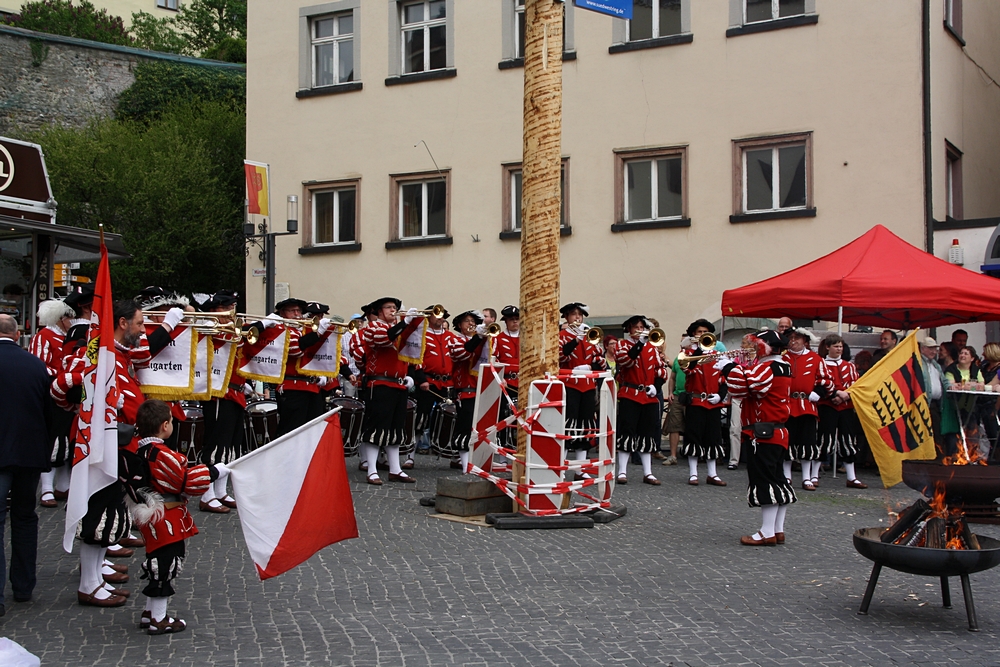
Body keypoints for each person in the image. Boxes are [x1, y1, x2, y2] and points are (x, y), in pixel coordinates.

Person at [123, 399, 229, 635]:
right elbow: (185, 481)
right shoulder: (162, 454)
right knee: (165, 565)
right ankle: (158, 619)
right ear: (165, 426)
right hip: (165, 516)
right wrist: (214, 472)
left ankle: (150, 612)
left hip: (153, 515)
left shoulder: (139, 449)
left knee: (158, 562)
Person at [718, 329, 794, 546]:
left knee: (765, 481)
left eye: (754, 345)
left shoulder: (769, 366)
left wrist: (729, 366)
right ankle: (778, 530)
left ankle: (767, 532)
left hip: (764, 432)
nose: (750, 349)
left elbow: (746, 386)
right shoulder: (781, 364)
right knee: (778, 480)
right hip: (775, 430)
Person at [0, 314, 54, 616]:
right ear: (17, 334)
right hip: (29, 454)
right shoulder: (36, 365)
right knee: (24, 518)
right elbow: (47, 414)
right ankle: (23, 586)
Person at [360, 297, 417, 484]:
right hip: (380, 383)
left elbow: (409, 351)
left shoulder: (398, 329)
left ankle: (395, 469)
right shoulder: (373, 327)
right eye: (389, 307)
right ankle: (372, 470)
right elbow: (384, 339)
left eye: (395, 308)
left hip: (398, 384)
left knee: (396, 428)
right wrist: (406, 322)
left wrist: (409, 374)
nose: (393, 310)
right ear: (379, 311)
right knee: (377, 427)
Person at [198, 290, 245, 514]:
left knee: (230, 447)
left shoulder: (232, 328)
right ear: (214, 310)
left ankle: (221, 490)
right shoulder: (209, 328)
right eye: (226, 308)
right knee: (215, 444)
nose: (231, 313)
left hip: (235, 392)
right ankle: (206, 495)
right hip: (218, 393)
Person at [29, 299, 75, 508]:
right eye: (69, 317)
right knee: (53, 441)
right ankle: (46, 488)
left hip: (70, 395)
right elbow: (39, 366)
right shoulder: (44, 336)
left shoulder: (71, 337)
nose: (72, 321)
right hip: (52, 396)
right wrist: (61, 376)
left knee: (69, 441)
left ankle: (63, 486)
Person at [614, 315, 667, 485]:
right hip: (630, 394)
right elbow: (625, 361)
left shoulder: (652, 347)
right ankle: (622, 471)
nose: (639, 330)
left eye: (642, 327)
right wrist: (639, 344)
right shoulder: (622, 345)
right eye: (636, 327)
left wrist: (656, 386)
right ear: (629, 330)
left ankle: (648, 472)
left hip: (648, 396)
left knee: (647, 434)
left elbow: (661, 369)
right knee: (627, 432)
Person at [559, 303, 608, 477]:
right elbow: (560, 356)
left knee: (585, 426)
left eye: (580, 315)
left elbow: (601, 363)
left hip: (587, 386)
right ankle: (562, 468)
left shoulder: (589, 338)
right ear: (566, 317)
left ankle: (580, 468)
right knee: (568, 426)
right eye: (573, 315)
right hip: (570, 384)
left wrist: (599, 354)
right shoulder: (562, 336)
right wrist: (576, 340)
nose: (577, 318)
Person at [270, 298, 329, 436]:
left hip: (312, 386)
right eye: (292, 311)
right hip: (292, 386)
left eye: (299, 311)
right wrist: (318, 333)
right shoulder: (281, 328)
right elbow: (295, 349)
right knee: (292, 429)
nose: (297, 314)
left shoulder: (304, 328)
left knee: (312, 431)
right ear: (282, 313)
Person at [783, 328, 833, 491]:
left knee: (808, 442)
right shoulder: (783, 358)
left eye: (797, 338)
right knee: (787, 442)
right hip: (787, 406)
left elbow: (827, 380)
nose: (794, 341)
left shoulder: (816, 359)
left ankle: (807, 478)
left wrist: (818, 393)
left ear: (805, 341)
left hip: (807, 405)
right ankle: (786, 477)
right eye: (791, 338)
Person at [818, 334, 867, 489]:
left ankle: (851, 477)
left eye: (840, 346)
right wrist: (834, 395)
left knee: (847, 440)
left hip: (846, 407)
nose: (839, 349)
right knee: (825, 439)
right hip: (827, 406)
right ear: (828, 347)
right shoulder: (822, 364)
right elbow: (819, 383)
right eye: (835, 346)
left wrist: (846, 395)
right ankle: (813, 476)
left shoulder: (849, 366)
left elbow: (855, 384)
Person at [679, 333, 727, 487]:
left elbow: (724, 379)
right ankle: (693, 473)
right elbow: (688, 369)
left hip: (713, 403)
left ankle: (712, 474)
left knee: (713, 437)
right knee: (694, 437)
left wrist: (720, 396)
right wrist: (698, 351)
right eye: (699, 332)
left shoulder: (717, 356)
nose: (702, 336)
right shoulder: (688, 355)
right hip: (696, 401)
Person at [448, 310, 489, 471]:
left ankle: (478, 462)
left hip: (482, 390)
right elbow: (462, 354)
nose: (471, 324)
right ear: (459, 325)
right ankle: (465, 464)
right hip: (466, 389)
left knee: (481, 429)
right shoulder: (455, 339)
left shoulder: (484, 342)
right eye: (467, 321)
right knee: (465, 427)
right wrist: (477, 338)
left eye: (473, 321)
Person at [410, 304, 454, 455]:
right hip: (428, 381)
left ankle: (447, 451)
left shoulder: (450, 336)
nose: (440, 317)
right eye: (436, 314)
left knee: (448, 417)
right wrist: (421, 379)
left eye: (442, 315)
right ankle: (411, 455)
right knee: (421, 417)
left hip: (447, 382)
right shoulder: (421, 335)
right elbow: (416, 359)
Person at [942, 345, 985, 458]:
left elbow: (981, 385)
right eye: (961, 353)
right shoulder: (951, 369)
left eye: (966, 354)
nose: (962, 355)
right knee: (953, 434)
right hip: (954, 407)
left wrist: (966, 385)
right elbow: (951, 385)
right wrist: (970, 385)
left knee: (972, 432)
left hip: (969, 407)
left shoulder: (976, 369)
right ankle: (953, 457)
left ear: (972, 358)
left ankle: (972, 456)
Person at [493, 306, 521, 451]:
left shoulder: (527, 337)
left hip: (523, 383)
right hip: (507, 383)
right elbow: (494, 360)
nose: (515, 322)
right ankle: (503, 452)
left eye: (517, 319)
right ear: (506, 321)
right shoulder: (498, 339)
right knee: (504, 417)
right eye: (512, 320)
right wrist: (500, 378)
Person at [727, 334, 754, 470]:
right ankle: (734, 459)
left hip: (752, 398)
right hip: (738, 397)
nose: (742, 347)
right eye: (742, 344)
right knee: (735, 428)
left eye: (745, 344)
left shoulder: (759, 359)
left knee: (754, 429)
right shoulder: (737, 359)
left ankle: (754, 458)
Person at [919, 337, 945, 446]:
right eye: (931, 349)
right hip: (924, 403)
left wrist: (952, 386)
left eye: (935, 349)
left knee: (936, 431)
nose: (934, 352)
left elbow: (944, 380)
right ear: (923, 349)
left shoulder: (935, 365)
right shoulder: (918, 363)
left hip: (935, 404)